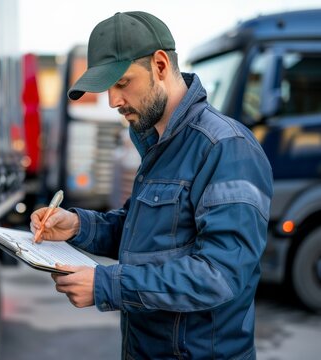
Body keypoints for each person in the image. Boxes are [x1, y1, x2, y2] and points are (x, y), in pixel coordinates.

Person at [30, 11, 273, 359]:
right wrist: (78, 225)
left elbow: (220, 273)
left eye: (122, 83)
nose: (113, 101)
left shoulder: (225, 148)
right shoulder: (159, 143)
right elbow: (145, 234)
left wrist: (107, 285)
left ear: (160, 65)